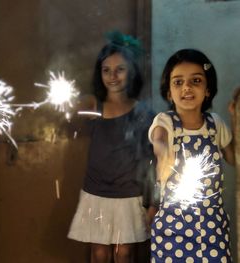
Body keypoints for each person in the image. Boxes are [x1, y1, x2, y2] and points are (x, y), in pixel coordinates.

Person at [67, 31, 158, 263]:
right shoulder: (94, 105)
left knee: (124, 254)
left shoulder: (143, 113)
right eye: (106, 70)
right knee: (99, 253)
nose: (113, 76)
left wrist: (154, 203)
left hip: (129, 195)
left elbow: (153, 161)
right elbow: (69, 115)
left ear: (132, 71)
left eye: (120, 69)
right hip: (96, 193)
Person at [149, 49, 235, 262]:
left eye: (196, 80)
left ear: (207, 89)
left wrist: (236, 118)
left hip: (212, 227)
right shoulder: (166, 121)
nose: (186, 87)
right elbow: (159, 140)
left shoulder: (215, 124)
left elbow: (234, 158)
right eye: (178, 82)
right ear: (169, 92)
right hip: (172, 227)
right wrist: (164, 155)